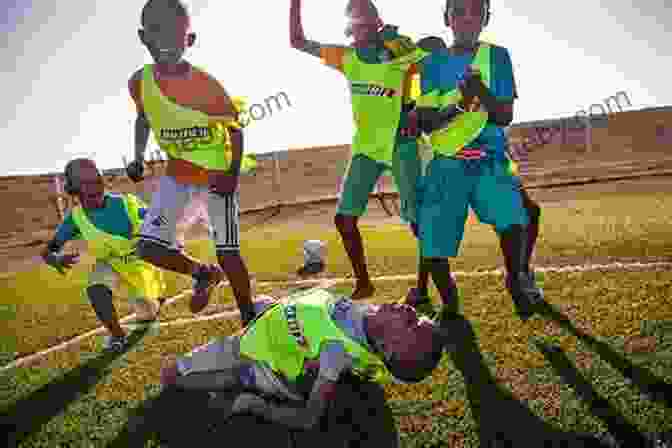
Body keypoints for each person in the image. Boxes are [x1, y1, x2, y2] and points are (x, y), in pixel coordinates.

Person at [410, 0, 544, 321]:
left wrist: (479, 89)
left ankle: (516, 279)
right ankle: (451, 302)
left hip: (489, 158)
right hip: (447, 162)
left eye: (475, 12)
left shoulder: (497, 56)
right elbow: (425, 121)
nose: (467, 19)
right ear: (447, 17)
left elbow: (503, 116)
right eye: (458, 11)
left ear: (486, 18)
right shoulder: (432, 64)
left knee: (516, 221)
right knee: (433, 241)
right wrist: (458, 106)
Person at [126, 0, 257, 324]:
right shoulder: (139, 83)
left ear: (190, 39)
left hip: (216, 178)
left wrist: (231, 174)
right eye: (157, 32)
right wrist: (139, 156)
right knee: (148, 249)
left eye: (175, 34)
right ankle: (202, 273)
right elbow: (144, 117)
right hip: (177, 177)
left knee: (228, 253)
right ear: (144, 38)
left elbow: (235, 129)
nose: (167, 41)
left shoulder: (206, 85)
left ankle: (249, 319)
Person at [289, 0, 428, 300]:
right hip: (366, 147)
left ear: (377, 22)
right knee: (344, 219)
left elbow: (429, 69)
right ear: (350, 26)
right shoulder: (347, 56)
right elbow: (297, 41)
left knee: (419, 222)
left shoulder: (396, 49)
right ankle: (364, 283)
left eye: (368, 17)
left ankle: (423, 288)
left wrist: (416, 111)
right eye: (357, 19)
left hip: (400, 143)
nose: (362, 23)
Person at [159, 287, 445, 430]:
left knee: (170, 376)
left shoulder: (338, 353)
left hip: (259, 359)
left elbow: (310, 417)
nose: (410, 311)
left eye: (412, 325)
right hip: (268, 328)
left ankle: (236, 388)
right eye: (418, 316)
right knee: (259, 303)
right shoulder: (371, 320)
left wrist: (258, 407)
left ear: (390, 349)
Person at [41, 158, 166, 351]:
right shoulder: (76, 218)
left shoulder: (125, 203)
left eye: (97, 180)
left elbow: (157, 218)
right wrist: (55, 259)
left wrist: (160, 222)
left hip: (141, 266)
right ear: (74, 189)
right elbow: (47, 251)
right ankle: (117, 336)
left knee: (148, 313)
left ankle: (154, 298)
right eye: (86, 183)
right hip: (111, 265)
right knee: (95, 287)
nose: (95, 187)